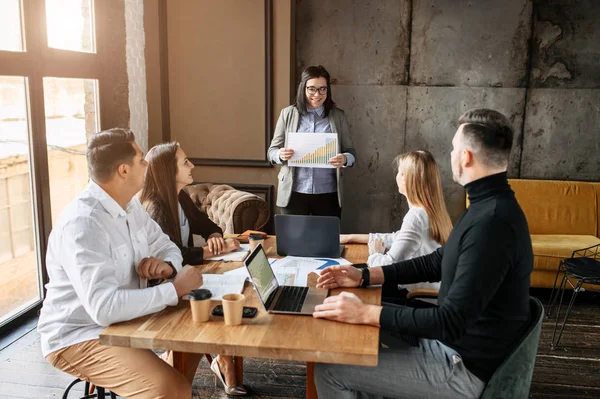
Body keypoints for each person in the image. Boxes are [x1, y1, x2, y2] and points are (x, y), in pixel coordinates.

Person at [312, 109, 534, 399]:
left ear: (465, 157)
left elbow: (450, 322)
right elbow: (438, 262)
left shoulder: (492, 223)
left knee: (330, 369)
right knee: (353, 345)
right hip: (453, 347)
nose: (451, 154)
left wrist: (366, 311)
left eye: (454, 148)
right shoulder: (488, 206)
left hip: (462, 367)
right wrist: (365, 275)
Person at [37, 128, 204, 398]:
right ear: (123, 171)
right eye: (141, 159)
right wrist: (174, 289)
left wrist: (169, 266)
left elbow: (164, 244)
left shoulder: (129, 205)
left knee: (196, 339)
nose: (147, 164)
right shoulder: (84, 224)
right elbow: (104, 309)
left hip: (125, 320)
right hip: (81, 335)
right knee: (170, 389)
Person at [140, 142, 246, 395]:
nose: (192, 166)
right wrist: (215, 251)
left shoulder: (180, 196)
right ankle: (194, 368)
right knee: (215, 308)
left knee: (230, 300)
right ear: (168, 171)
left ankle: (222, 362)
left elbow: (206, 223)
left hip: (187, 274)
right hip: (166, 283)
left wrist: (213, 236)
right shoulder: (156, 207)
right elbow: (175, 255)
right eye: (185, 162)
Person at [340, 150, 452, 296]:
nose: (397, 176)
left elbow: (387, 267)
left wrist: (375, 253)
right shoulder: (431, 210)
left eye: (400, 172)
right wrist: (350, 238)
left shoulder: (416, 216)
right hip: (435, 292)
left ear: (407, 179)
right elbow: (396, 238)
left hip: (418, 297)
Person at [267, 65, 356, 218]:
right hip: (293, 191)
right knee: (292, 240)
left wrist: (345, 158)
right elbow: (271, 152)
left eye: (323, 89)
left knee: (325, 240)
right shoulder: (288, 114)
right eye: (312, 89)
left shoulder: (338, 116)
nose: (317, 94)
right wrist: (280, 154)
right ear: (303, 89)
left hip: (328, 192)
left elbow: (351, 152)